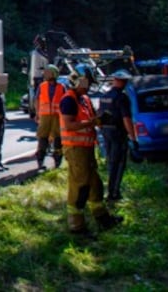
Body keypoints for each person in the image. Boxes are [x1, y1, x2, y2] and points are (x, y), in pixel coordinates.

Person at [59, 76, 122, 234]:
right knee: (80, 186)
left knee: (95, 184)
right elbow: (69, 125)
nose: (87, 88)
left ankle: (103, 219)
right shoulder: (68, 101)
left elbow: (91, 119)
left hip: (86, 148)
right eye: (85, 85)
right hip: (75, 149)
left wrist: (101, 120)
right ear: (76, 84)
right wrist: (92, 122)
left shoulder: (84, 99)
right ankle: (77, 226)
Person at [98, 69, 135, 201]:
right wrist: (133, 137)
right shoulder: (122, 97)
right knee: (119, 163)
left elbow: (99, 117)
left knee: (110, 162)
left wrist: (103, 132)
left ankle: (110, 190)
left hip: (106, 133)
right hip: (118, 133)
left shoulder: (104, 96)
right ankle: (114, 193)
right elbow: (126, 119)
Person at [34, 65, 65, 169]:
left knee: (58, 140)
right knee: (42, 138)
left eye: (47, 72)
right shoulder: (42, 86)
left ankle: (57, 162)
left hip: (57, 117)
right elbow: (37, 100)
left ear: (54, 74)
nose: (45, 74)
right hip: (45, 116)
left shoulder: (61, 87)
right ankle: (40, 161)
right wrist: (37, 114)